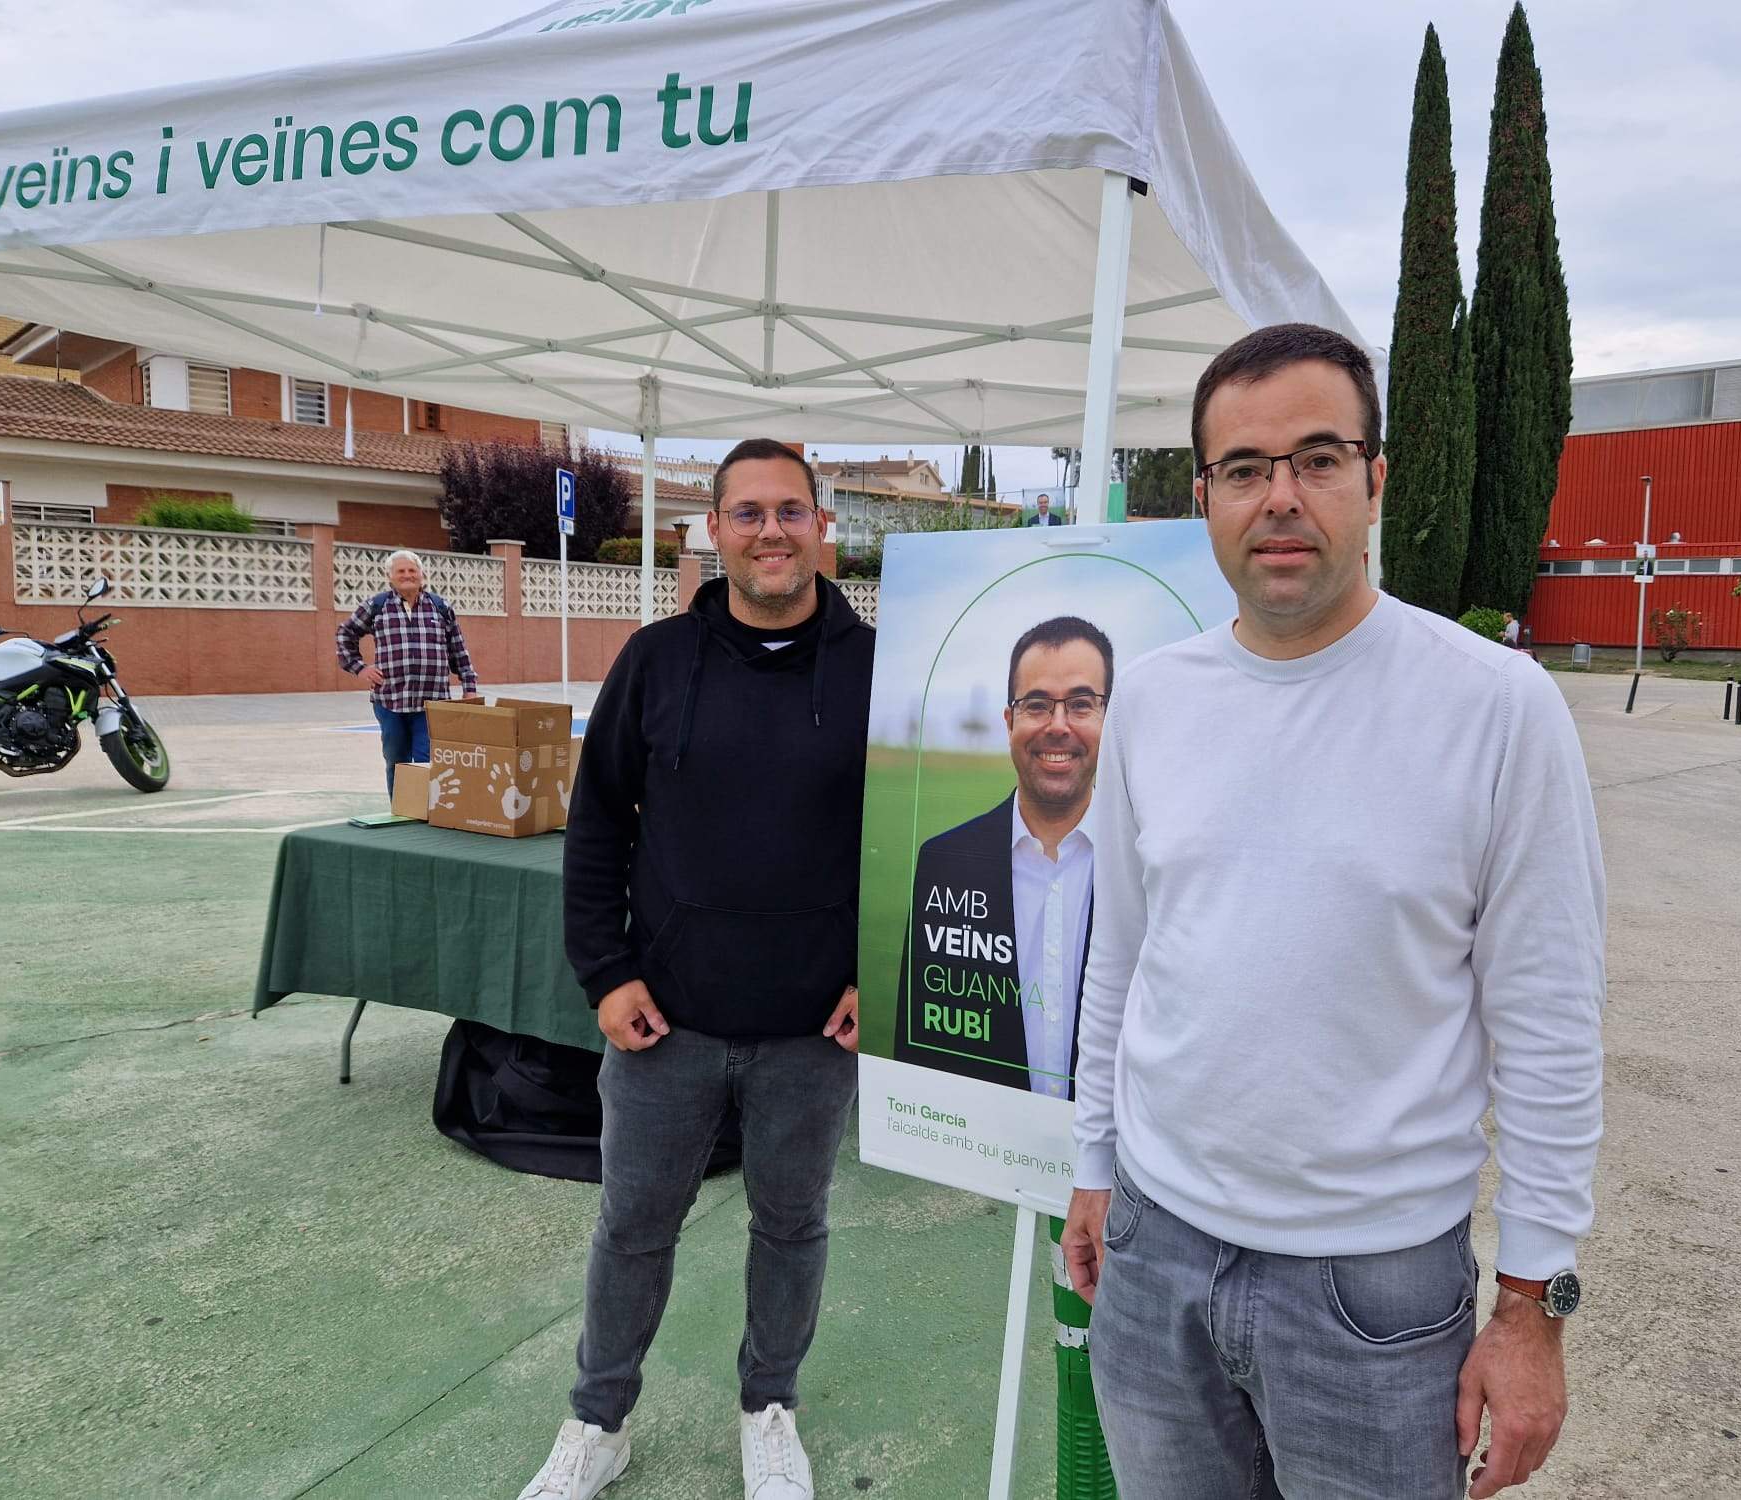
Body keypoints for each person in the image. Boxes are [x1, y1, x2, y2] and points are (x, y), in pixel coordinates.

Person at [1061, 323, 1606, 1500]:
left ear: (1374, 478)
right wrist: (1093, 1162)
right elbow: (1124, 956)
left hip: (1374, 1298)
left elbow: (1549, 1023)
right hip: (1155, 1255)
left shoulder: (1494, 709)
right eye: (1244, 470)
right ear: (1203, 495)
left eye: (1316, 457)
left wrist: (1532, 1307)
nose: (1280, 498)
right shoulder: (1151, 703)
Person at [529, 438, 875, 1500]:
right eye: (747, 513)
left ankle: (768, 1405)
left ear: (820, 526)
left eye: (789, 512)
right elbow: (594, 831)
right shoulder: (653, 661)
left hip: (813, 1029)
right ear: (714, 530)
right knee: (633, 1227)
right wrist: (606, 974)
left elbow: (904, 836)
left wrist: (880, 972)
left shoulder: (874, 670)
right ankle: (599, 1420)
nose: (770, 532)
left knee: (791, 1224)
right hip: (665, 1023)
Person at [895, 617, 1112, 1098]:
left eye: (1081, 704)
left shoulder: (1148, 863)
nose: (1058, 726)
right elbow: (922, 1044)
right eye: (1037, 705)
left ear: (1108, 718)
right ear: (1010, 722)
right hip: (985, 1155)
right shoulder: (944, 861)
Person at [334, 548, 477, 793]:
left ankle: (423, 814)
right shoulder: (376, 606)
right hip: (390, 701)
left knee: (427, 762)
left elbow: (458, 649)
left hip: (432, 702)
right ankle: (399, 811)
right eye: (401, 571)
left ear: (422, 575)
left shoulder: (440, 607)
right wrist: (360, 668)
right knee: (396, 762)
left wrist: (469, 687)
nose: (407, 575)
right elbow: (345, 633)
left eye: (413, 570)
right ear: (390, 577)